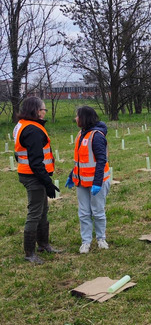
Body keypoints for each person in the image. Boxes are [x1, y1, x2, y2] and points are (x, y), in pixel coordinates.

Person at [13, 96, 61, 264]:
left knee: (43, 210)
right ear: (35, 110)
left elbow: (18, 154)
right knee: (35, 213)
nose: (44, 112)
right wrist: (47, 183)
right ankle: (29, 253)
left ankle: (43, 244)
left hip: (30, 174)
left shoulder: (22, 125)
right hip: (34, 177)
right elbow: (35, 161)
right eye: (43, 109)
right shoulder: (32, 130)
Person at [65, 106, 110, 253]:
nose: (75, 119)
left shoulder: (96, 136)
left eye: (78, 116)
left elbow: (101, 160)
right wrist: (72, 175)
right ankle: (86, 242)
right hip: (81, 182)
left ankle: (101, 239)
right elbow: (80, 160)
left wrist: (97, 183)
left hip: (97, 182)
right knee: (84, 212)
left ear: (84, 118)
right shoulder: (81, 134)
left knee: (97, 211)